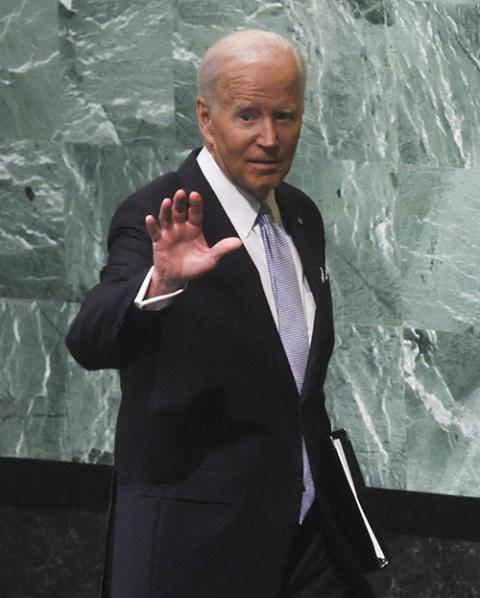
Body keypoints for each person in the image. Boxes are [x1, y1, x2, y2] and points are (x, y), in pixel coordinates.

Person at [67, 29, 383, 598]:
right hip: (198, 545)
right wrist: (160, 282)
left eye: (286, 116)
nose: (270, 138)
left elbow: (295, 387)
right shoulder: (156, 211)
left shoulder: (303, 215)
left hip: (309, 537)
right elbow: (91, 336)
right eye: (248, 116)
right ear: (206, 117)